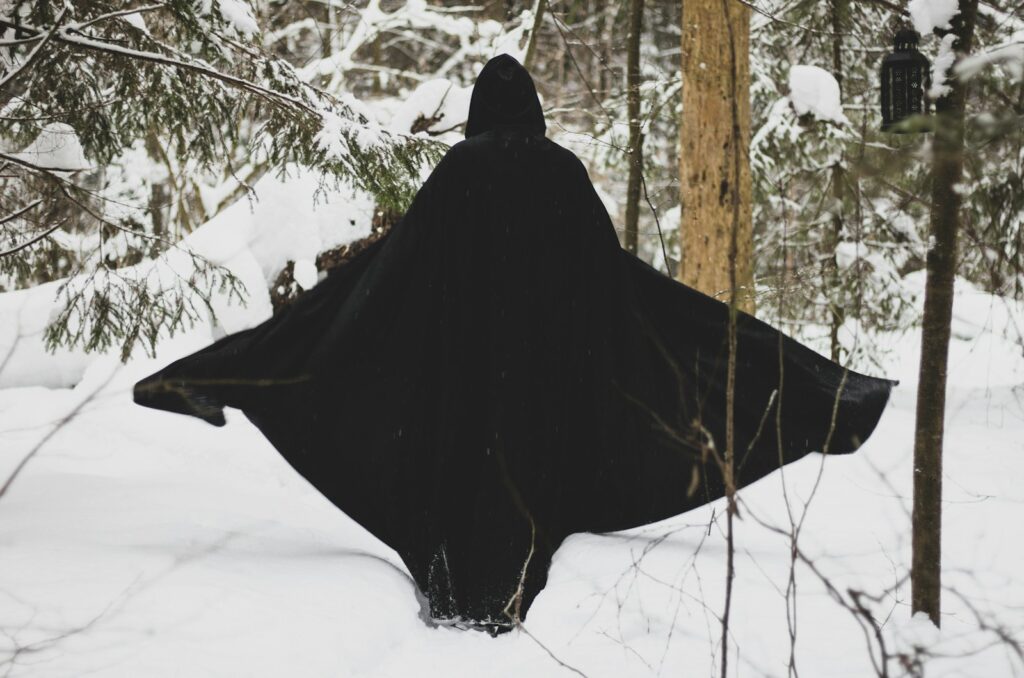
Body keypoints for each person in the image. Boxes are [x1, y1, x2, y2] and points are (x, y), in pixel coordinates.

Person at [135, 54, 894, 635]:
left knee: (463, 474)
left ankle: (457, 590)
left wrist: (270, 353)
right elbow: (614, 284)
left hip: (463, 383)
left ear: (476, 112)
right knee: (536, 478)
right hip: (547, 385)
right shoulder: (560, 172)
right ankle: (829, 403)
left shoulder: (459, 170)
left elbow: (386, 280)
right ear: (532, 111)